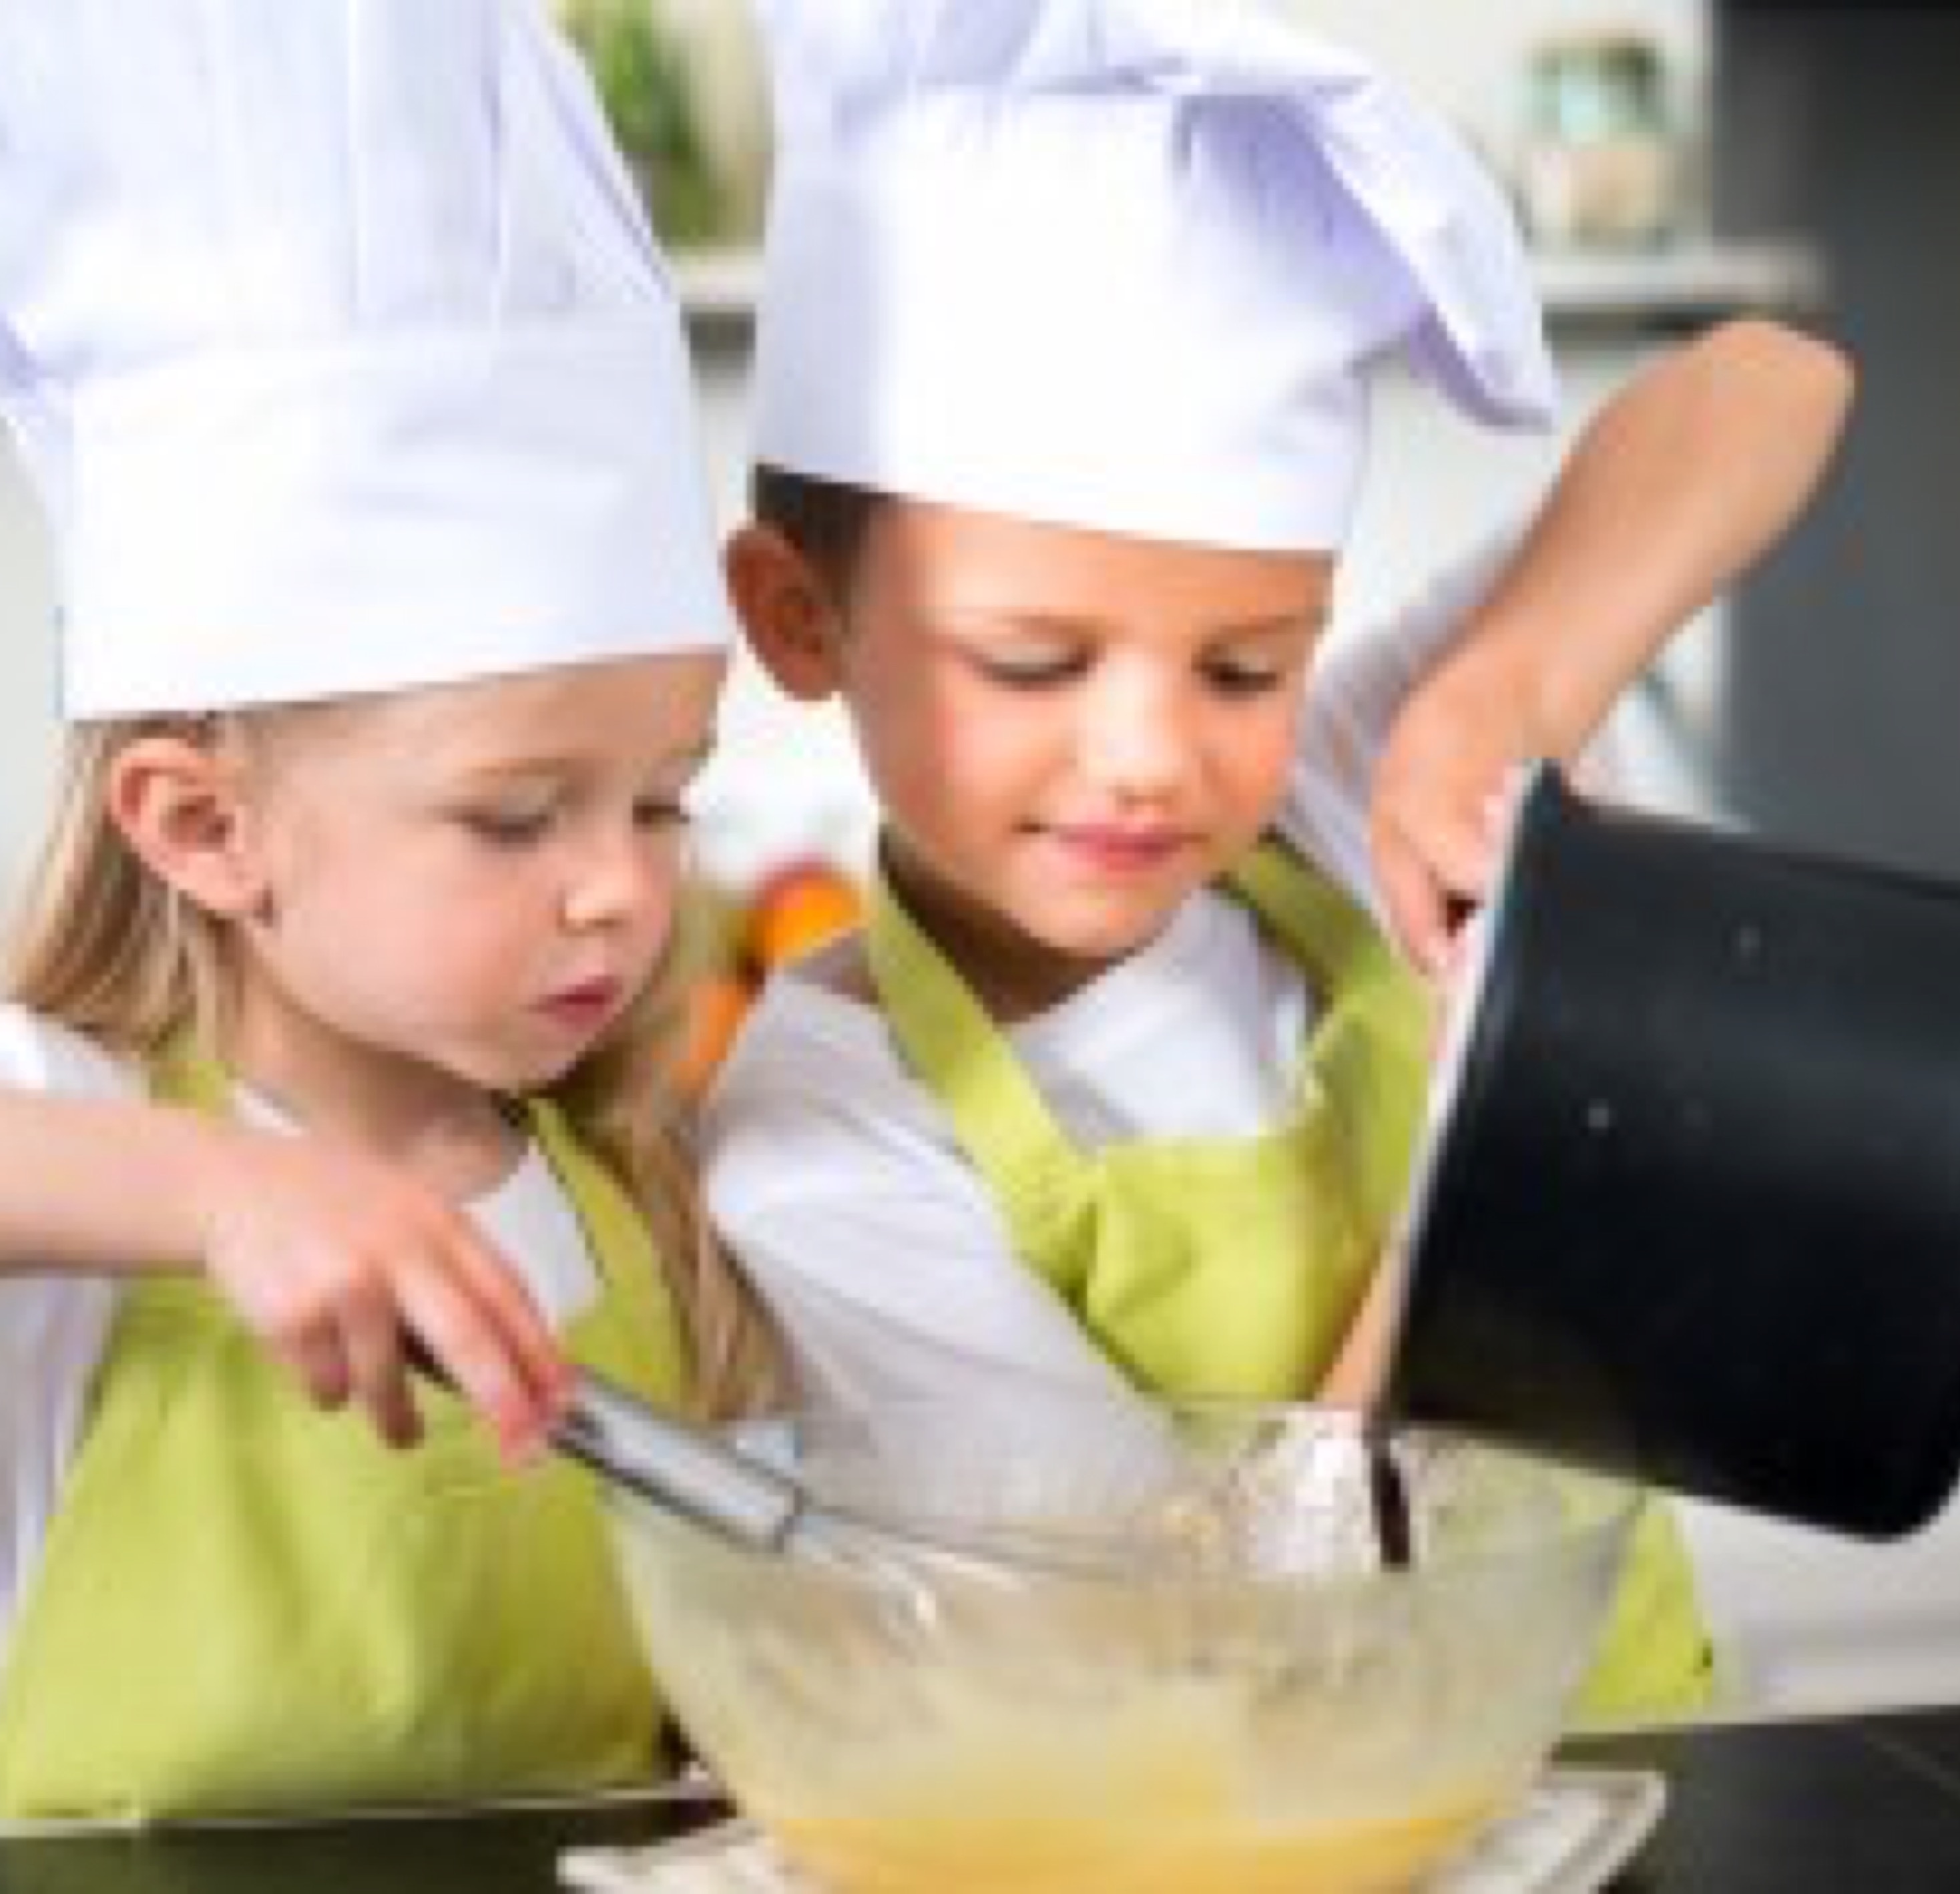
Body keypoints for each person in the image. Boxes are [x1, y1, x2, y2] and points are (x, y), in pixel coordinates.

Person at [0, 0, 770, 1825]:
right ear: (206, 827)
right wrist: (227, 1195)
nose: (624, 885)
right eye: (512, 816)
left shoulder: (612, 1181)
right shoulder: (68, 1129)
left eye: (662, 798)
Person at [701, 0, 1855, 1725]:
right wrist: (1480, 1205)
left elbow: (1772, 384)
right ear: (802, 618)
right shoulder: (829, 1132)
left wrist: (1509, 688)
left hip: (1631, 1772)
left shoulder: (1336, 790)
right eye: (1036, 662)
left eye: (1246, 665)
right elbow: (1172, 1633)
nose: (1156, 754)